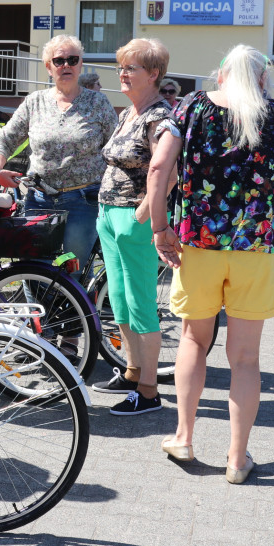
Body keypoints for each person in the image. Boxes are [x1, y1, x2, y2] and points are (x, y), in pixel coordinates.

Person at [148, 44, 274, 483]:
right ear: (260, 78)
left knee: (195, 343)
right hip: (257, 246)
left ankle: (183, 436)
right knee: (246, 358)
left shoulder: (192, 107)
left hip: (198, 243)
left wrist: (161, 227)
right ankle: (237, 458)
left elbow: (159, 168)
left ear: (221, 76)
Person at [92, 39, 174, 416]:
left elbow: (168, 172)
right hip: (109, 215)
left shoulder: (159, 117)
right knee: (120, 301)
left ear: (153, 74)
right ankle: (132, 370)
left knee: (141, 303)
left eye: (130, 69)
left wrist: (142, 215)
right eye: (120, 67)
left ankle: (149, 390)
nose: (122, 74)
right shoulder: (129, 112)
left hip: (132, 219)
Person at [0, 34, 117, 264]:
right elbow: (5, 139)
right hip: (39, 199)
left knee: (69, 272)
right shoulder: (34, 102)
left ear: (80, 64)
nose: (66, 65)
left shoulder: (98, 103)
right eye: (59, 61)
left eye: (72, 59)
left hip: (83, 202)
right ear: (49, 67)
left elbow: (115, 150)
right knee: (33, 269)